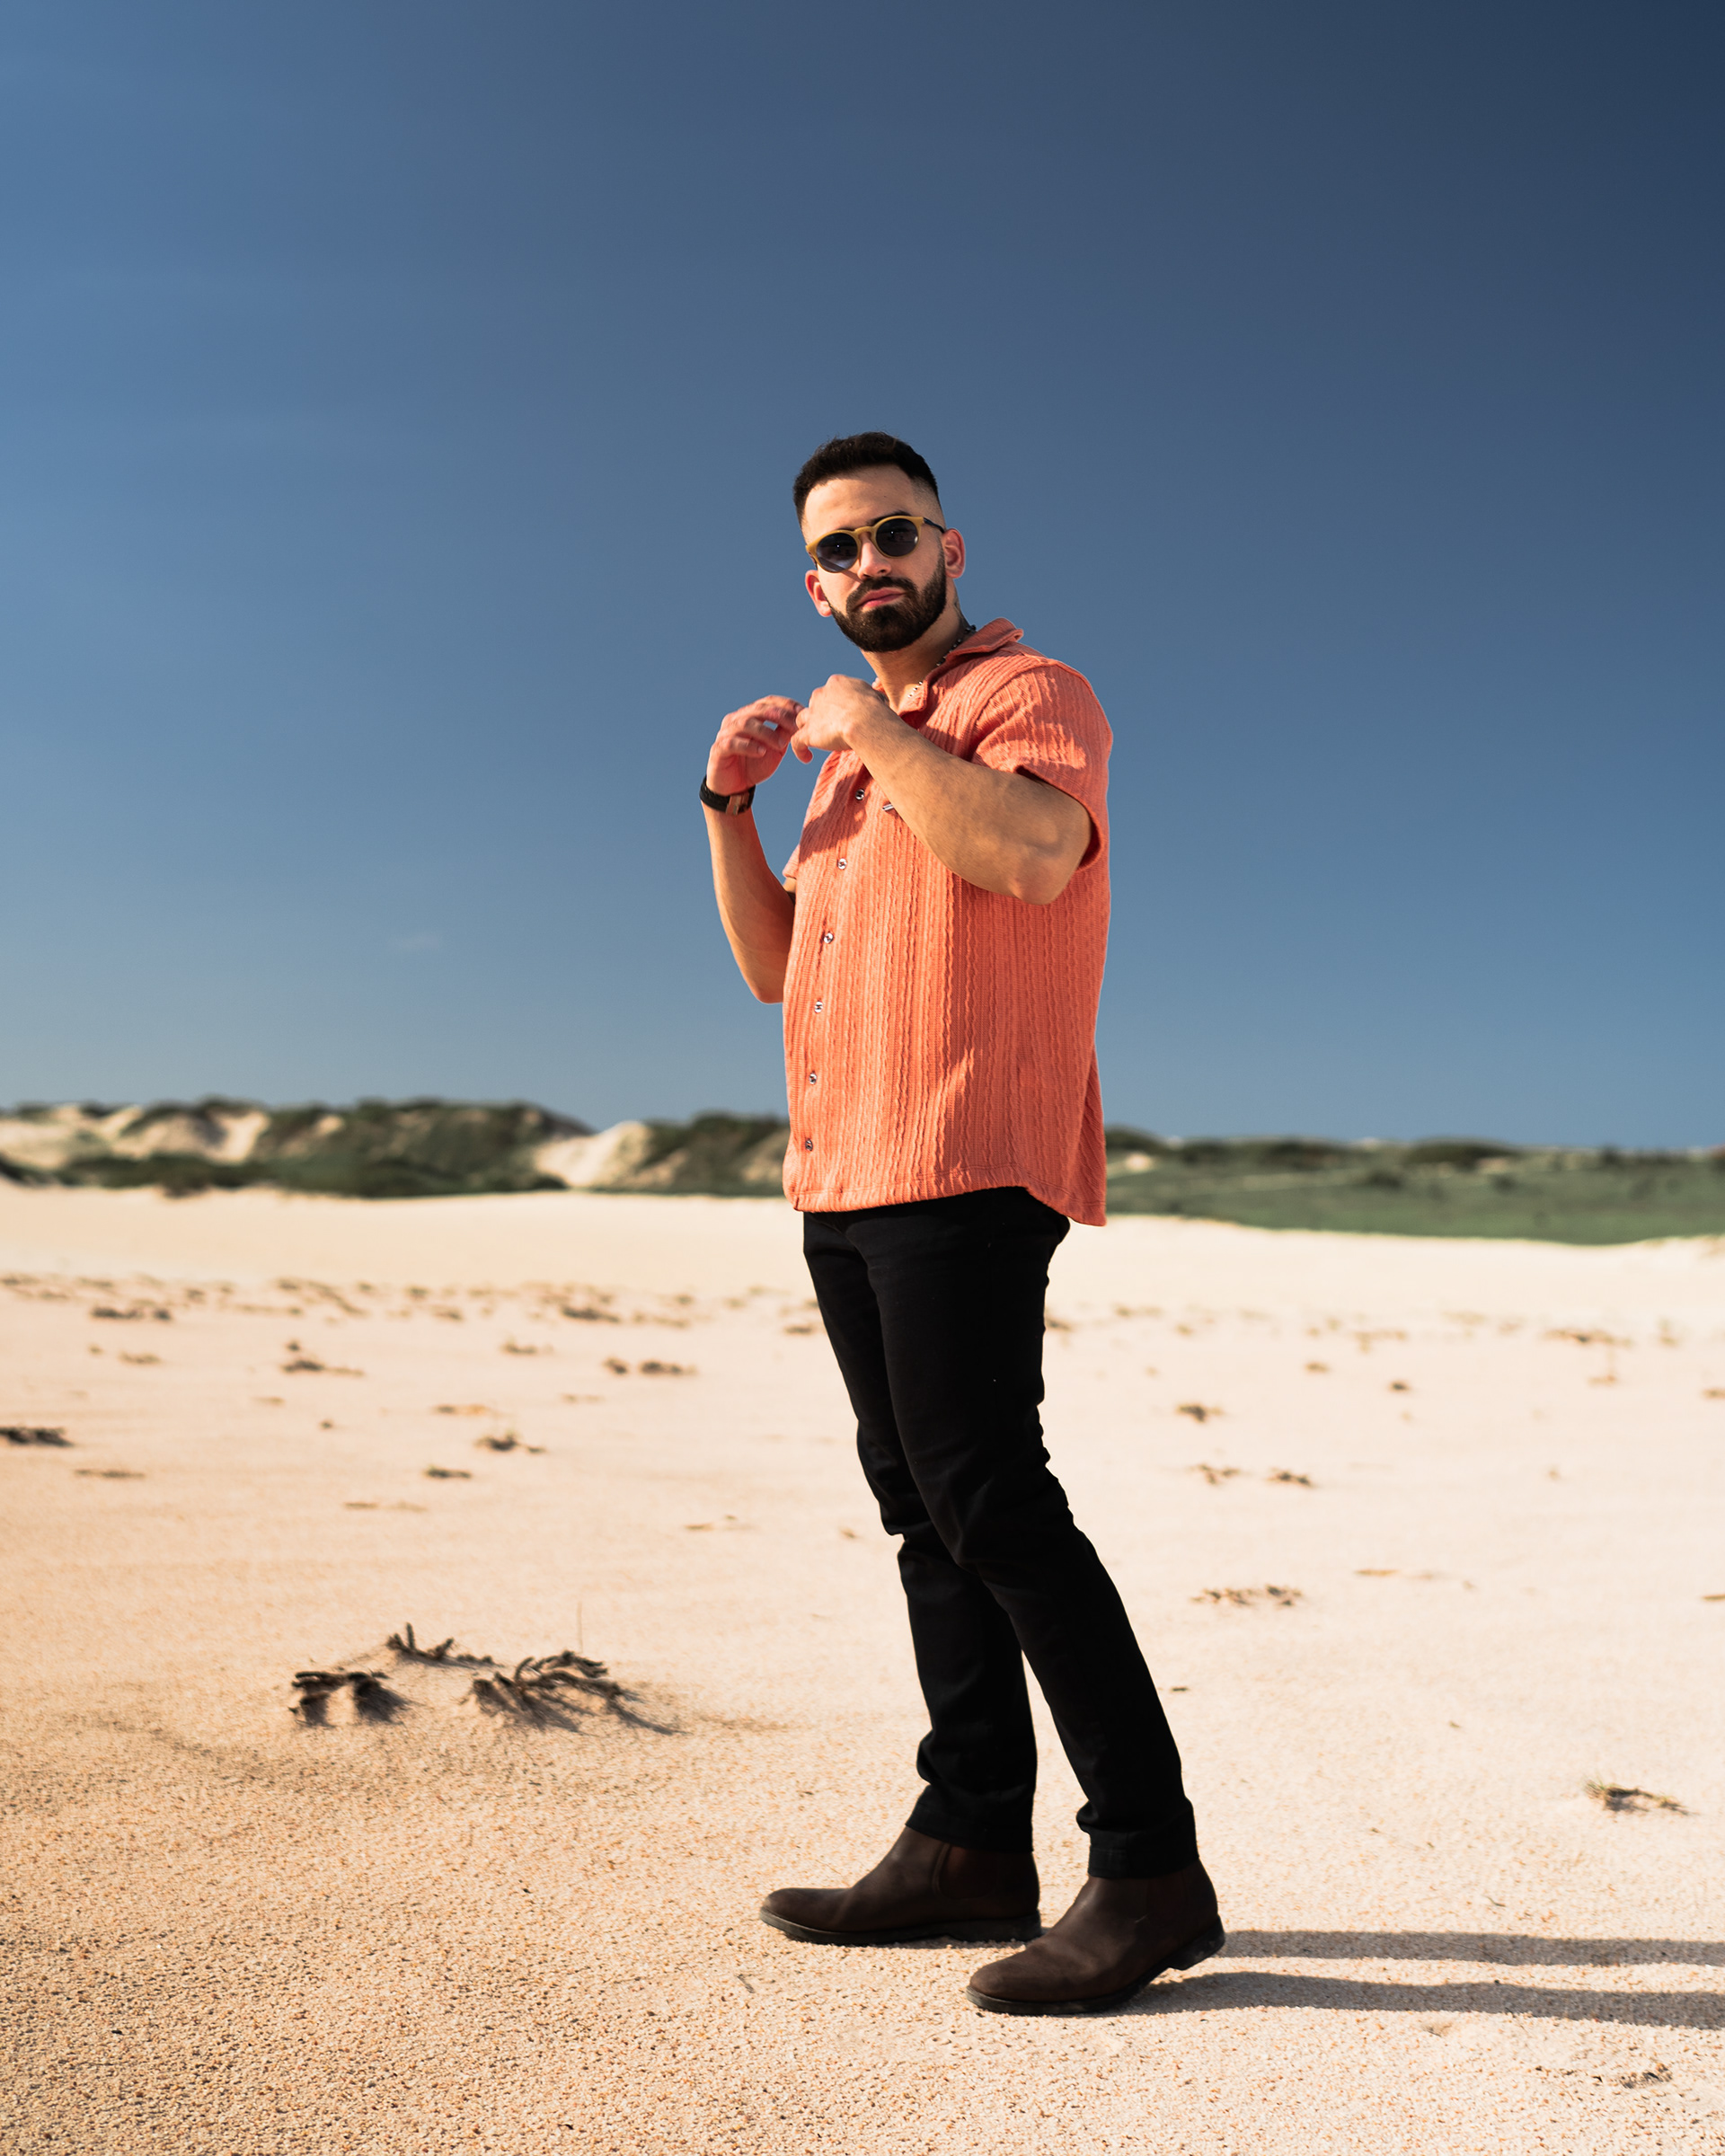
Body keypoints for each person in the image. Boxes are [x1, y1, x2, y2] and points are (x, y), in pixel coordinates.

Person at [698, 431, 1221, 2015]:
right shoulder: (837, 768)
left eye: (895, 534)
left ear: (950, 549)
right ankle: (970, 1838)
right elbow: (775, 970)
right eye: (841, 549)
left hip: (967, 1152)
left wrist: (871, 722)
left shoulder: (1025, 693)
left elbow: (1033, 853)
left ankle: (1149, 1869)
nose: (872, 564)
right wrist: (728, 805)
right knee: (923, 1514)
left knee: (995, 1503)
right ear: (813, 583)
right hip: (844, 1168)